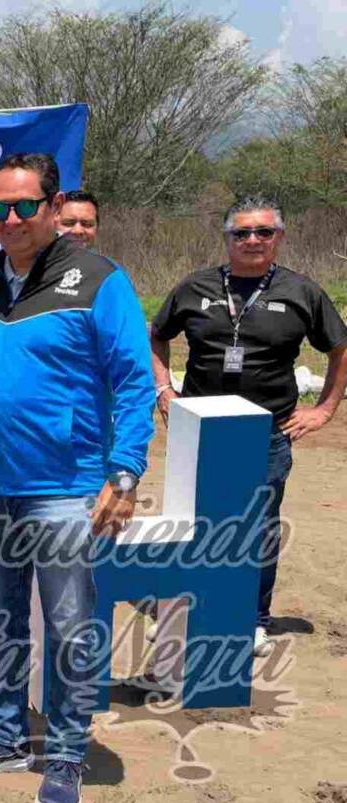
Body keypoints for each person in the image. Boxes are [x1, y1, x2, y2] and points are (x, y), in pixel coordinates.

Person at [0, 153, 154, 803]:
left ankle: (65, 752)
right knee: (1, 620)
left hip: (65, 486)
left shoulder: (98, 279)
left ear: (53, 204)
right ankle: (6, 735)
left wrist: (124, 471)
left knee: (68, 627)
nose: (10, 219)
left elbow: (133, 379)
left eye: (24, 206)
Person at [150, 194, 347, 656]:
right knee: (190, 523)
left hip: (267, 433)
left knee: (257, 527)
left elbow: (339, 349)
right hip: (197, 430)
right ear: (227, 238)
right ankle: (184, 613)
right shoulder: (194, 287)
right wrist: (164, 391)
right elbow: (156, 335)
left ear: (279, 237)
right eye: (242, 233)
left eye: (264, 232)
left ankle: (251, 618)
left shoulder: (303, 292)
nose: (252, 240)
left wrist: (325, 409)